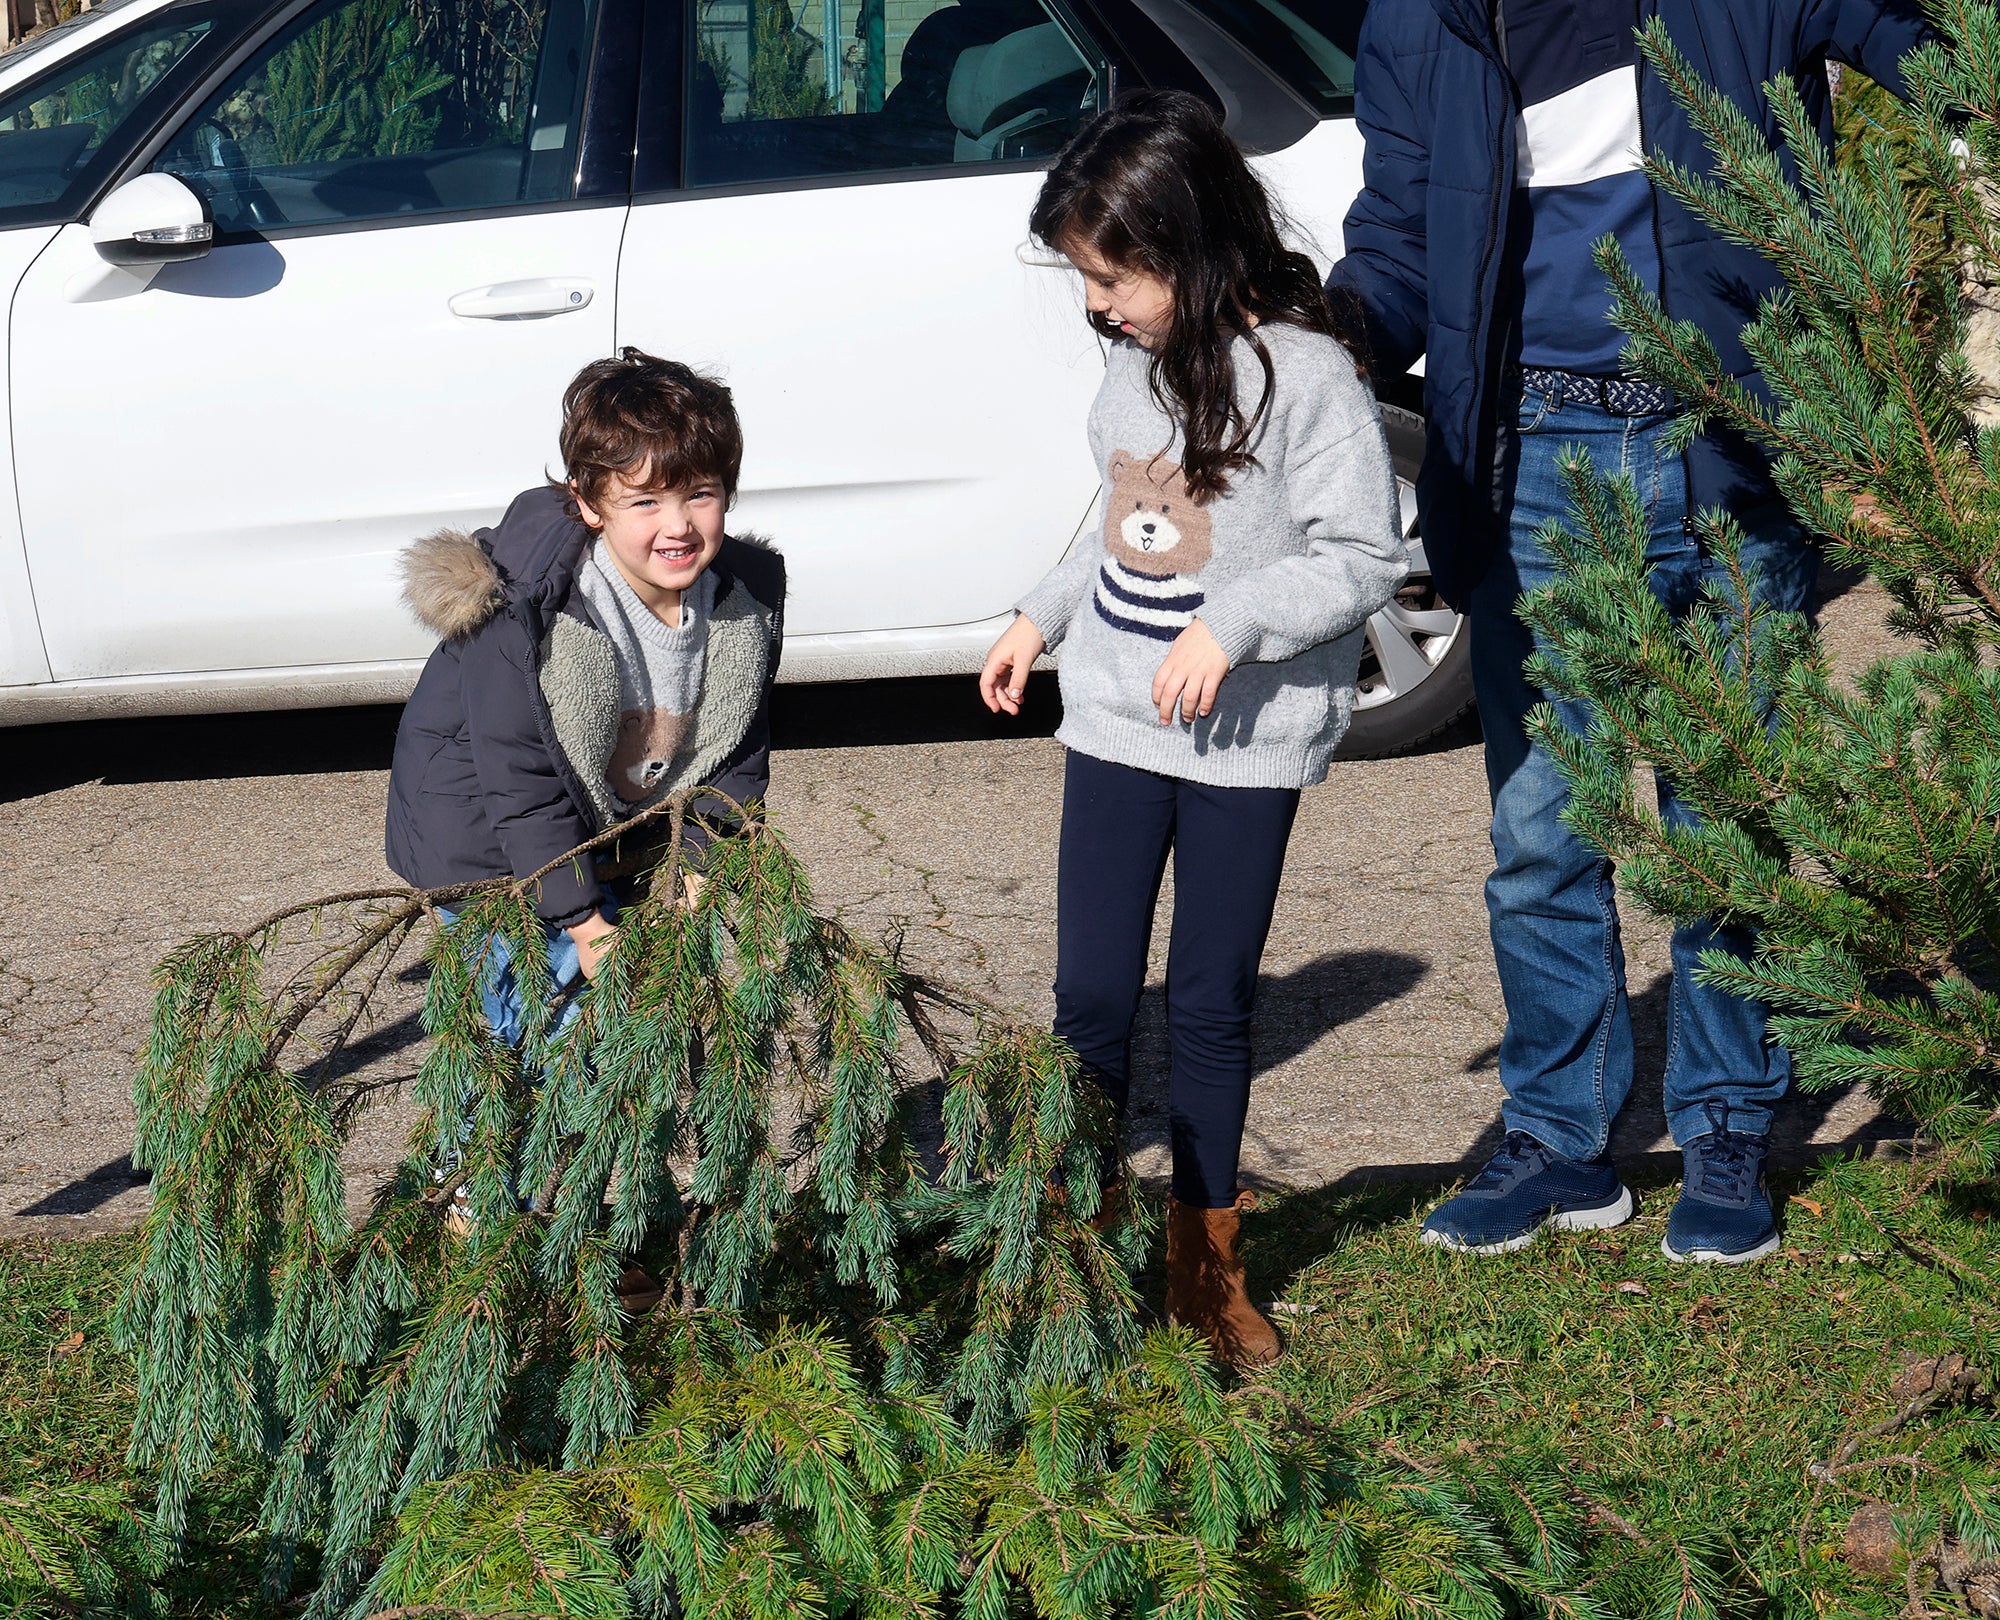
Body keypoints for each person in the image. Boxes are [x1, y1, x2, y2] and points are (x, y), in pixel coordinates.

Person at [1328, 0, 1930, 1262]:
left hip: (1727, 437)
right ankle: (1556, 1138)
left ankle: (1724, 1125)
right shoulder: (1421, 18)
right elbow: (1395, 234)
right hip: (1529, 455)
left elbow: (1925, 54)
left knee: (1730, 815)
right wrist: (1324, 338)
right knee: (1545, 831)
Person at [980, 89, 1406, 1366]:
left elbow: (1362, 555)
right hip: (1113, 726)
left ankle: (1202, 1269)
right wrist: (1041, 612)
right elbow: (1118, 523)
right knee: (1092, 1000)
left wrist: (1238, 627)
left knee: (1214, 1005)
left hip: (1244, 743)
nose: (1099, 306)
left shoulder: (1309, 379)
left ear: (1189, 243)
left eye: (1113, 278)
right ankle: (1068, 1256)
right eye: (1086, 282)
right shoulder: (1130, 371)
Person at [384, 348, 785, 1225]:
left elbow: (737, 753)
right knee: (518, 1031)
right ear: (588, 503)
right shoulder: (524, 605)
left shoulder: (743, 595)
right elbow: (520, 785)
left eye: (700, 494)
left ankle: (595, 1222)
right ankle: (485, 1218)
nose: (676, 524)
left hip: (611, 828)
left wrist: (701, 865)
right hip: (490, 843)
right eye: (643, 501)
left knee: (604, 1037)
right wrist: (585, 921)